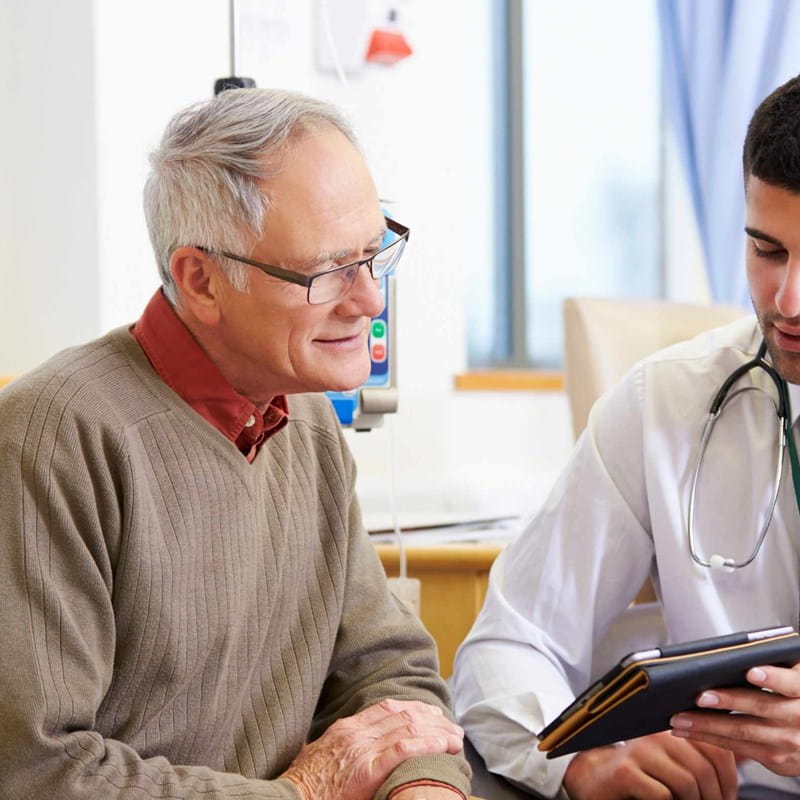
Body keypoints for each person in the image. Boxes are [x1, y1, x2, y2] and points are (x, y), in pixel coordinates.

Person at [451, 64, 800, 800]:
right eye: (766, 249)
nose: (789, 299)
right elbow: (509, 643)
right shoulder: (663, 404)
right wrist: (574, 759)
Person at [0, 88, 470, 800]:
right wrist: (304, 793)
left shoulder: (307, 421)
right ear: (202, 281)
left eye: (376, 255)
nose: (371, 300)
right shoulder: (54, 439)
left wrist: (422, 787)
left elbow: (388, 673)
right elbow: (39, 774)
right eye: (328, 271)